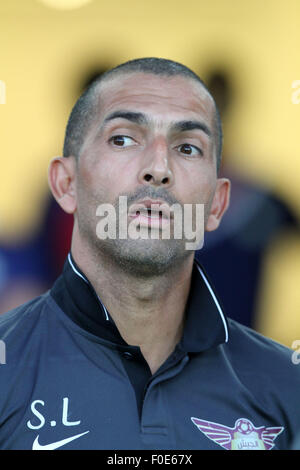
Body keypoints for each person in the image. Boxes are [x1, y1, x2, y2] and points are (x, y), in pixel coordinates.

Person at [0, 57, 299, 451]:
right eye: (122, 139)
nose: (158, 168)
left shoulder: (287, 390)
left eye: (188, 147)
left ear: (217, 204)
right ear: (65, 183)